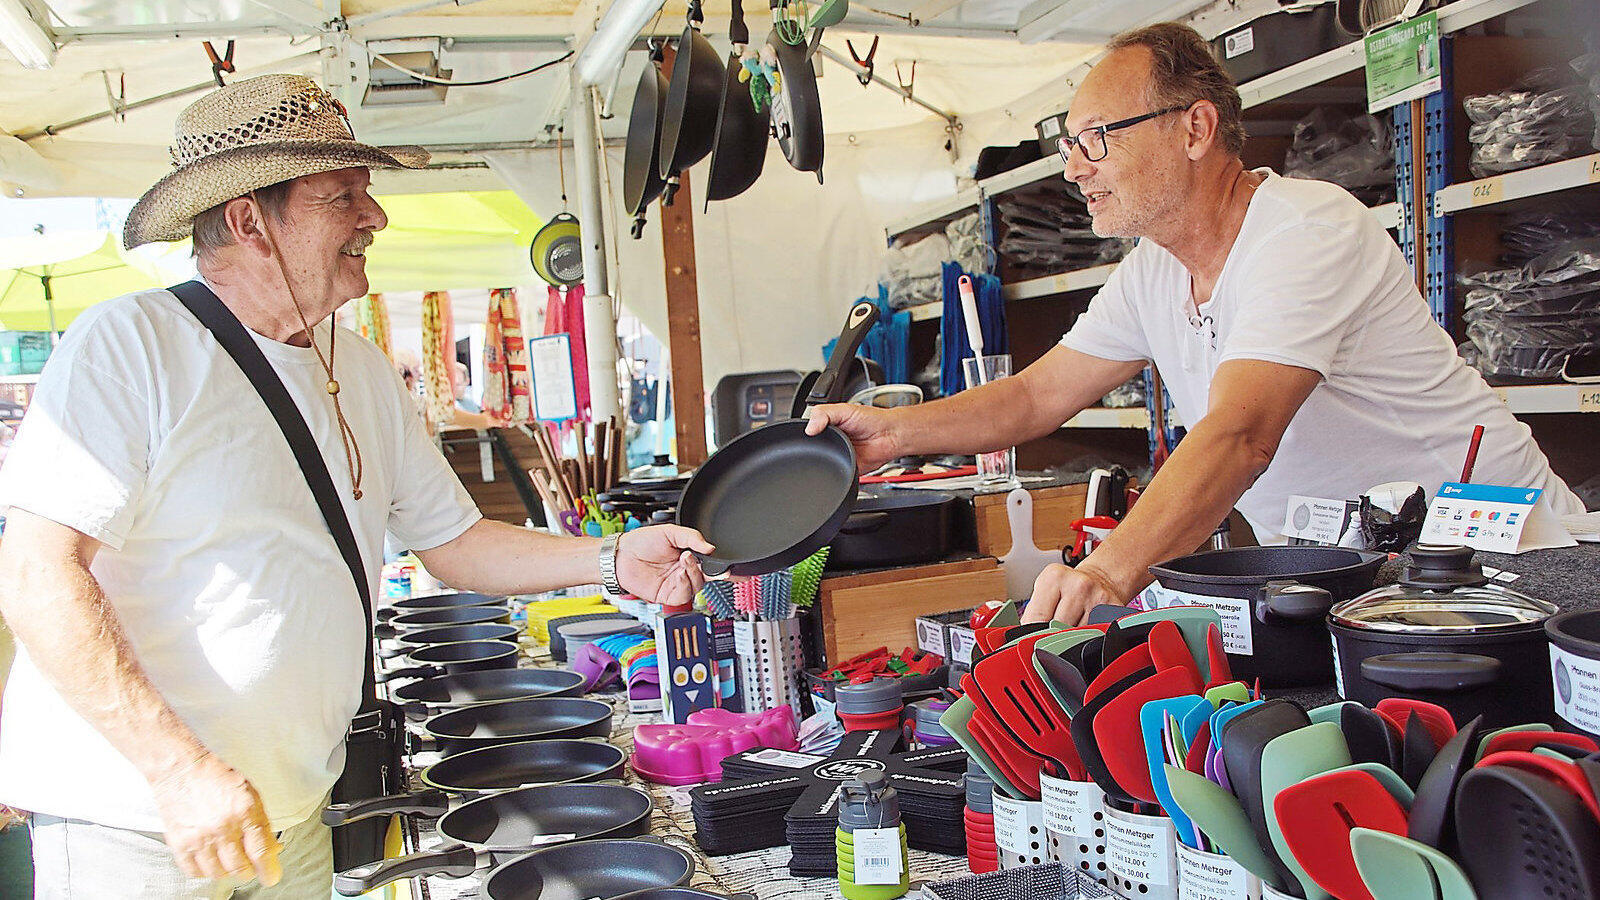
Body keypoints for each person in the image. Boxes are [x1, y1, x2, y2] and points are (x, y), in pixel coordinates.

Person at [0, 74, 712, 899]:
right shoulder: (133, 344)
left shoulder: (361, 369)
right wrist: (176, 769)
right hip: (142, 821)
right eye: (342, 196)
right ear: (249, 220)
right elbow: (39, 573)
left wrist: (613, 558)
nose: (374, 217)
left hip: (292, 814)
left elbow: (455, 541)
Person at [808, 23, 1581, 626]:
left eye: (1097, 139)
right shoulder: (1152, 271)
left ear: (1194, 129)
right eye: (1068, 145)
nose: (1074, 168)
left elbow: (1241, 435)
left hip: (1508, 569)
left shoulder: (1304, 230)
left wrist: (1107, 573)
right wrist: (892, 433)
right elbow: (1035, 397)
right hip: (1366, 584)